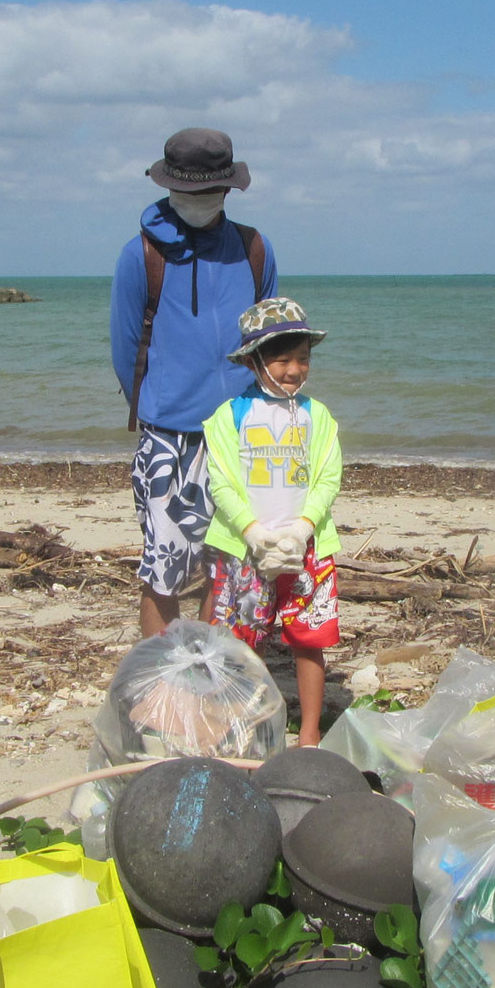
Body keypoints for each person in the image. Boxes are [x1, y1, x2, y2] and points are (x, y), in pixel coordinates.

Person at [110, 128, 276, 638]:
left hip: (242, 433)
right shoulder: (140, 255)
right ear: (167, 188)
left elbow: (268, 343)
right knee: (163, 572)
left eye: (209, 192)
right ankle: (163, 684)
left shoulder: (254, 249)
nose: (198, 203)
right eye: (187, 193)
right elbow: (123, 350)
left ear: (227, 190)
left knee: (228, 569)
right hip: (168, 435)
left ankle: (208, 678)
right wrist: (165, 403)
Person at [201, 298, 343, 744]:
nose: (293, 370)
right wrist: (253, 532)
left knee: (309, 639)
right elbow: (221, 482)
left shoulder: (317, 416)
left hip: (309, 549)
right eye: (281, 359)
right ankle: (234, 724)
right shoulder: (230, 416)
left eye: (303, 359)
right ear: (254, 360)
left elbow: (328, 477)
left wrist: (303, 529)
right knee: (239, 642)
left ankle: (310, 734)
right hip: (245, 549)